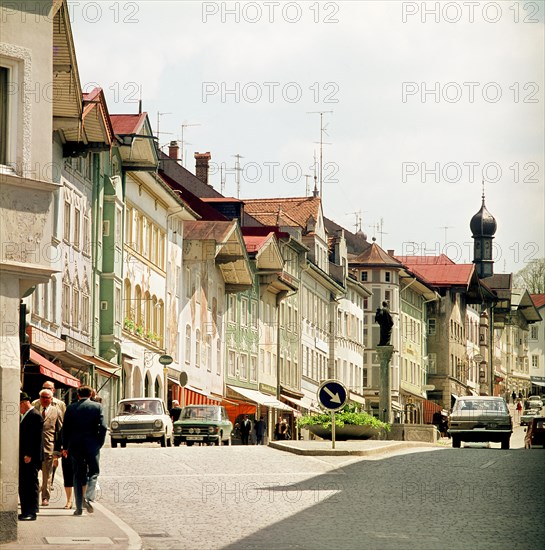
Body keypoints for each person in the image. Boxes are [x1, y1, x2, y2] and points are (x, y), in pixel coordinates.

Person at [63, 385, 107, 516]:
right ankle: (88, 496)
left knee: (77, 475)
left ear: (78, 395)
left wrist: (65, 446)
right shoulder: (97, 407)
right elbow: (103, 427)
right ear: (91, 395)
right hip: (92, 445)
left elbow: (65, 429)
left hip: (75, 446)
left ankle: (78, 508)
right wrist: (99, 442)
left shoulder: (71, 408)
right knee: (93, 472)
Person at [19, 392, 44, 521]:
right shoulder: (26, 415)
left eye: (19, 405)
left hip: (30, 457)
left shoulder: (34, 415)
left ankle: (31, 512)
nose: (18, 408)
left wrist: (29, 454)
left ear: (24, 403)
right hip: (25, 456)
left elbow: (36, 439)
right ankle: (25, 510)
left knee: (30, 484)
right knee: (24, 484)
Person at [36, 389, 63, 507]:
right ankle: (33, 496)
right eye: (43, 397)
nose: (45, 400)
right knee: (32, 474)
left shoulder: (56, 411)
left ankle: (45, 498)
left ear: (51, 399)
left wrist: (58, 449)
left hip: (48, 447)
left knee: (47, 474)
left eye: (47, 397)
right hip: (34, 447)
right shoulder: (34, 409)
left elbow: (60, 430)